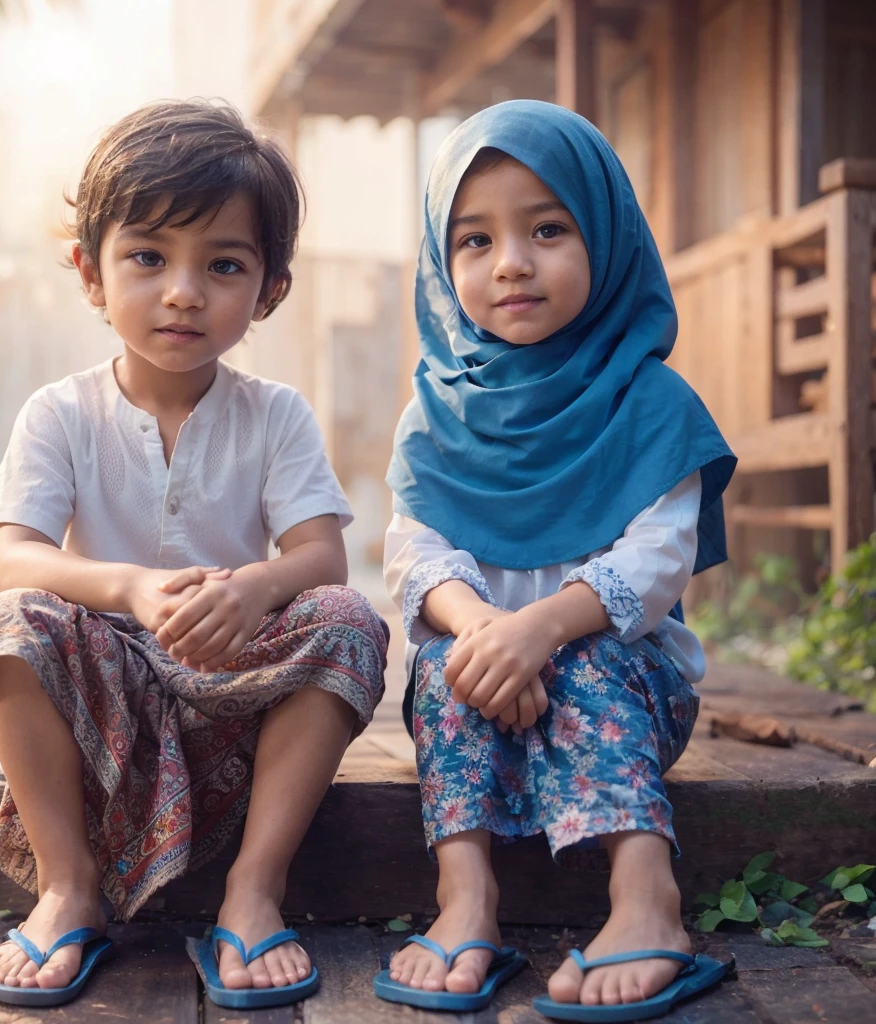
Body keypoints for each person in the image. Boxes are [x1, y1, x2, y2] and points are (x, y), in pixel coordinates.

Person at [0, 99, 388, 1009]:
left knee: (351, 622)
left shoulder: (275, 415)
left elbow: (322, 555)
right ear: (91, 271)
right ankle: (68, 888)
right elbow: (17, 560)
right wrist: (128, 586)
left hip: (232, 693)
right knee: (12, 623)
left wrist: (255, 589)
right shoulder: (59, 412)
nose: (184, 290)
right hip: (102, 703)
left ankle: (252, 890)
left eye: (223, 265)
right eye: (149, 256)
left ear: (270, 289)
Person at [379, 100, 736, 1019]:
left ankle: (646, 896)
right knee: (438, 672)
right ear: (439, 260)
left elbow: (660, 557)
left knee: (592, 662)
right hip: (489, 668)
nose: (510, 263)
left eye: (548, 228)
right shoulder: (436, 413)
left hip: (624, 678)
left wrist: (542, 628)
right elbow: (415, 549)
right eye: (473, 240)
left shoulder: (651, 403)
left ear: (608, 236)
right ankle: (466, 897)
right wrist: (486, 631)